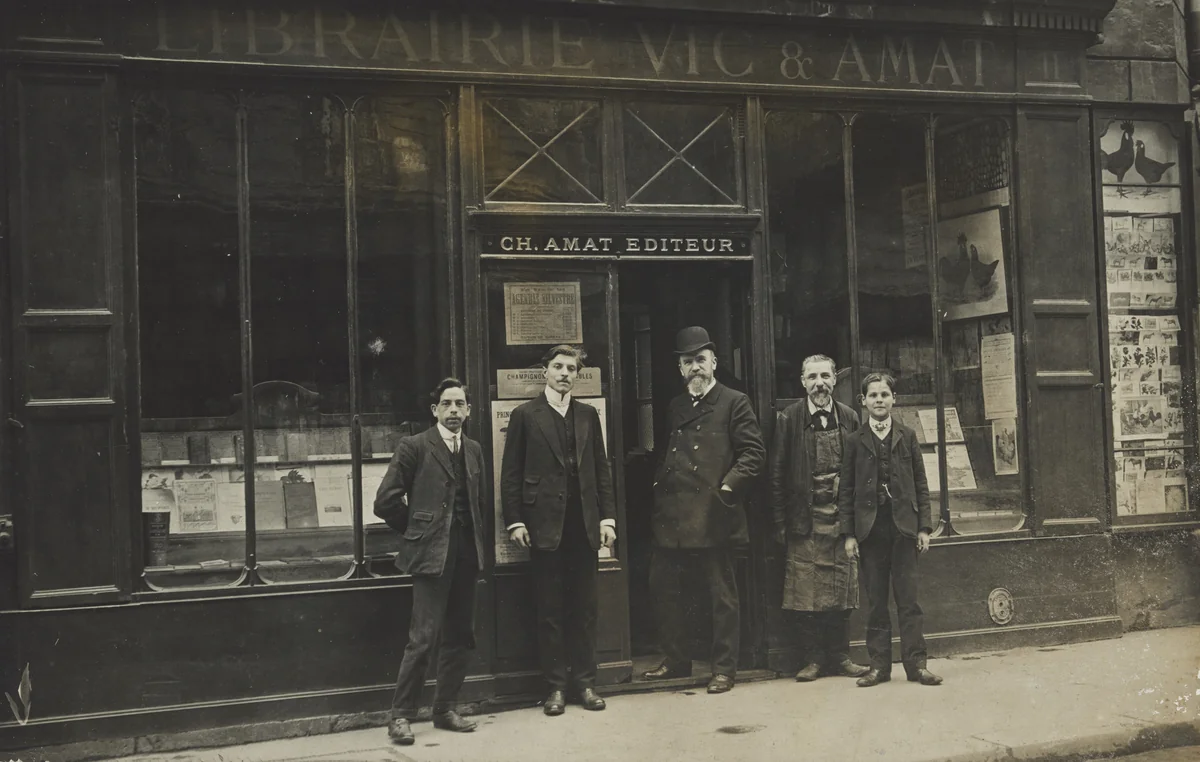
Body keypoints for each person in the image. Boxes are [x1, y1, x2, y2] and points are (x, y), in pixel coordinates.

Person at [642, 326, 765, 694]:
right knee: (665, 589)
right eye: (687, 362)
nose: (695, 368)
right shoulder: (676, 406)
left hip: (714, 514)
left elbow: (753, 455)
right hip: (673, 515)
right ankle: (676, 660)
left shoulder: (734, 401)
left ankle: (724, 668)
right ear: (680, 369)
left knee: (721, 595)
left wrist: (725, 489)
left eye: (700, 360)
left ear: (713, 362)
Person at [500, 345, 617, 716]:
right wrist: (515, 520)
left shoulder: (586, 416)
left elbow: (601, 470)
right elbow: (511, 474)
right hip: (544, 528)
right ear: (545, 372)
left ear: (577, 375)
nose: (565, 373)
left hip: (583, 525)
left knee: (585, 609)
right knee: (549, 610)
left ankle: (585, 683)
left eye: (571, 368)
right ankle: (554, 688)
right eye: (558, 367)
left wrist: (607, 519)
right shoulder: (525, 415)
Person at [374, 378, 487, 745]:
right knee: (422, 638)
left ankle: (445, 709)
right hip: (430, 555)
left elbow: (478, 502)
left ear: (469, 410)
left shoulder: (473, 450)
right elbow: (386, 500)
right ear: (435, 410)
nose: (454, 411)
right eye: (447, 404)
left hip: (467, 553)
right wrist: (418, 529)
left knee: (461, 635)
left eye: (460, 404)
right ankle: (401, 716)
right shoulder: (415, 446)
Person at [837, 372, 943, 688]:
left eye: (884, 395)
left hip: (904, 530)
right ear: (863, 401)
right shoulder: (855, 441)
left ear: (893, 399)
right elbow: (846, 489)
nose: (879, 400)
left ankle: (916, 666)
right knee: (876, 602)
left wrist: (924, 527)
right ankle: (879, 667)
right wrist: (849, 534)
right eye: (873, 395)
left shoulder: (907, 436)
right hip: (870, 531)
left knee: (909, 601)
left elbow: (921, 485)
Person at [769, 355, 870, 682]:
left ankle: (840, 657)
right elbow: (777, 475)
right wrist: (782, 523)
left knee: (842, 589)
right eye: (812, 377)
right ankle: (813, 659)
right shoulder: (789, 419)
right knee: (806, 593)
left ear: (835, 380)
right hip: (805, 517)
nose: (819, 383)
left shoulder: (850, 417)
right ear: (802, 381)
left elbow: (862, 470)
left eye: (825, 376)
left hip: (841, 518)